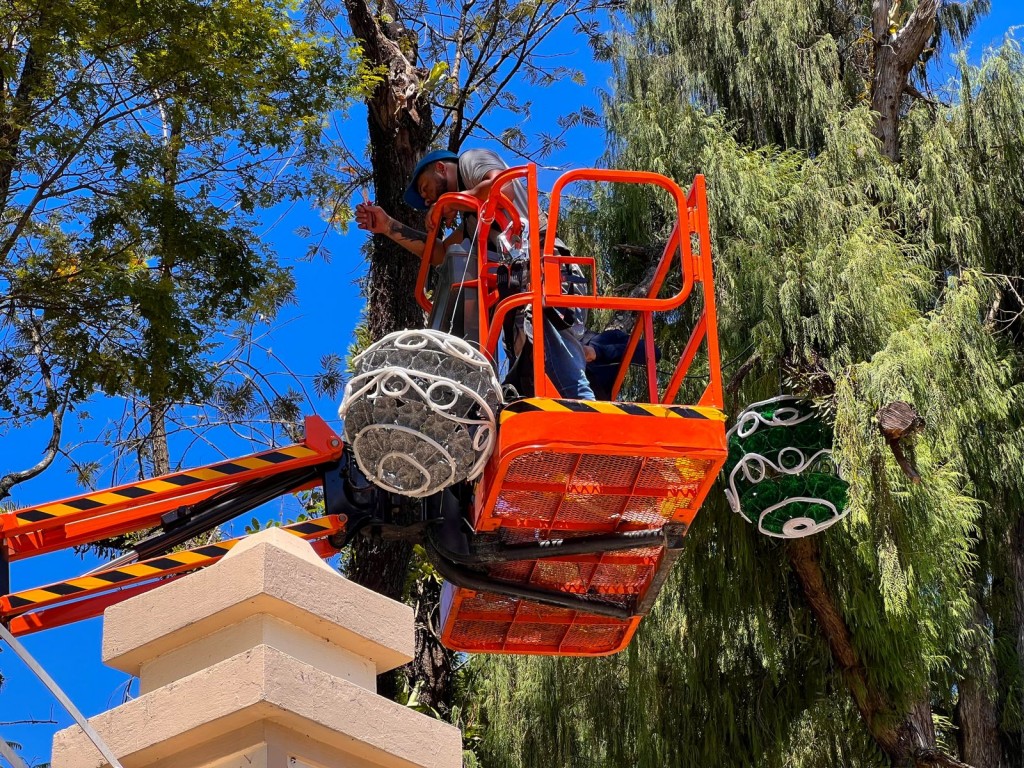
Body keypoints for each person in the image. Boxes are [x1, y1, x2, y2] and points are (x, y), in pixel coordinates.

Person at [355, 148, 595, 401]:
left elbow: (502, 187)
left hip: (546, 272)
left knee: (562, 368)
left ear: (440, 168)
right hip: (520, 292)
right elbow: (439, 254)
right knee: (531, 381)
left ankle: (591, 424)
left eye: (425, 189)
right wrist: (388, 226)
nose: (427, 200)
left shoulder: (470, 160)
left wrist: (450, 201)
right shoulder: (473, 221)